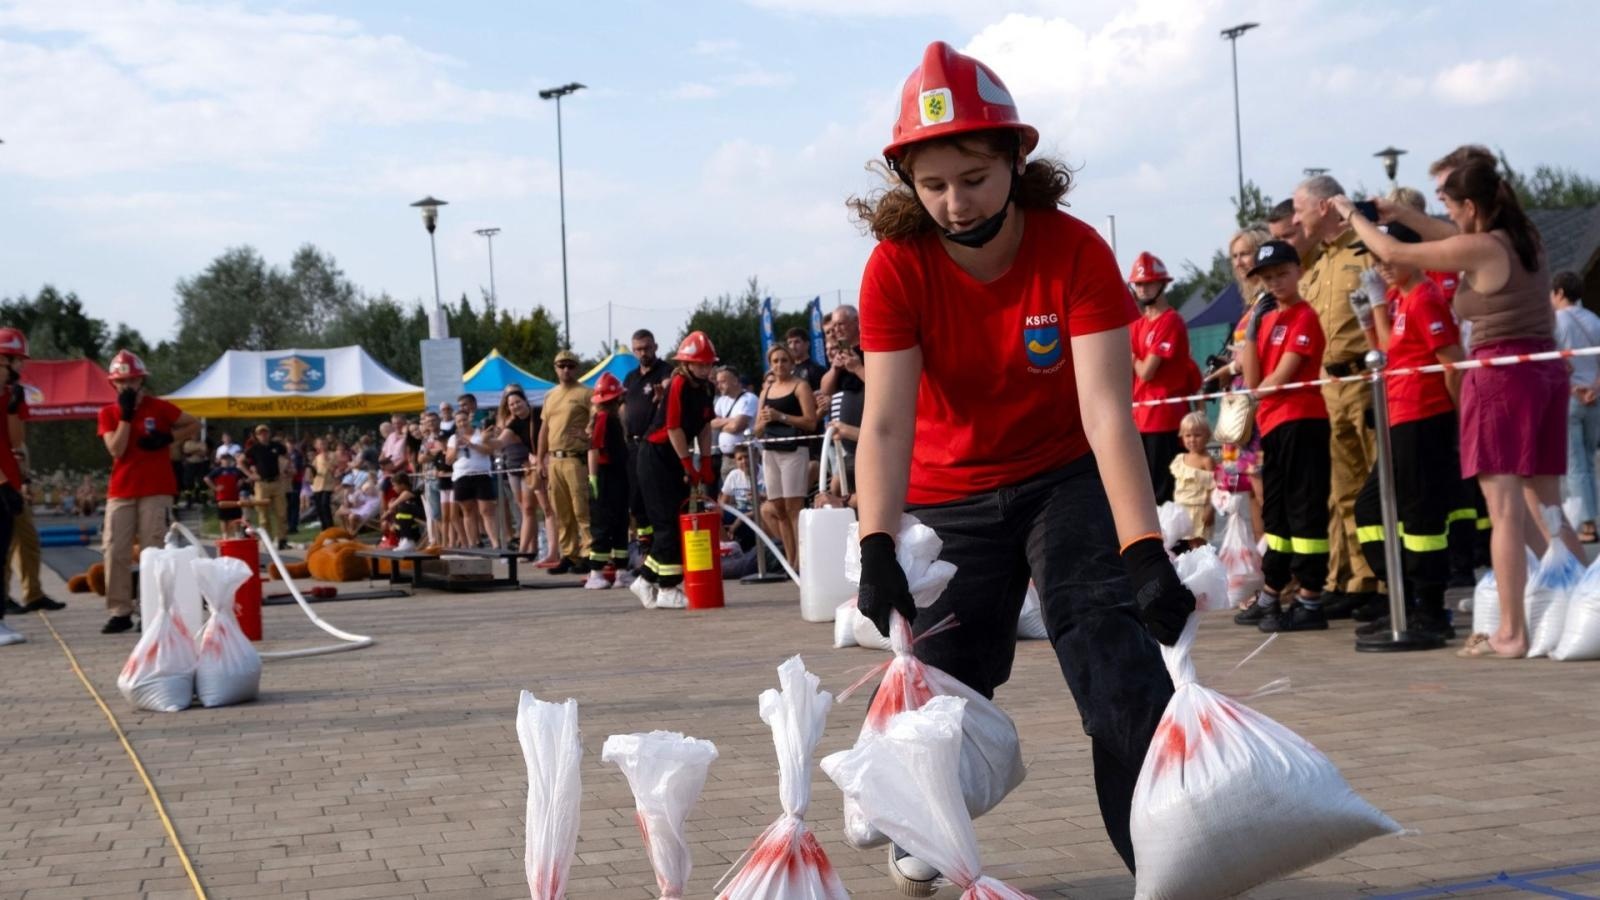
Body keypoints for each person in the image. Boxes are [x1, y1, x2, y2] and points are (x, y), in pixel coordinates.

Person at [848, 42, 1192, 891]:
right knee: (943, 692)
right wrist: (876, 545)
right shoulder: (896, 267)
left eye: (973, 176)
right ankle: (926, 817)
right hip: (948, 491)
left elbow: (1108, 410)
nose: (955, 203)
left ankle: (1163, 862)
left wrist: (1143, 548)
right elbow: (886, 424)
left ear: (1015, 160)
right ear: (907, 183)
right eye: (932, 185)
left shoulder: (1074, 253)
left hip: (1063, 479)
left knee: (1114, 662)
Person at [1337, 158, 1582, 659]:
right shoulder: (1524, 235)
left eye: (1449, 202)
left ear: (1470, 206)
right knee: (1547, 502)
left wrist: (1351, 213)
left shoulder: (1483, 247)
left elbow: (1393, 249)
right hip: (1541, 373)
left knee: (1504, 509)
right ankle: (1581, 595)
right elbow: (1445, 232)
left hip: (1499, 378)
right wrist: (1396, 208)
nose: (1445, 212)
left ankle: (1512, 630)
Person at [1346, 221, 1471, 641]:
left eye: (1386, 257)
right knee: (1372, 510)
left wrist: (1458, 419)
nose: (1379, 266)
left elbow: (1452, 363)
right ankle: (1403, 597)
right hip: (1398, 416)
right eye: (1375, 259)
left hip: (1423, 416)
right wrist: (1369, 315)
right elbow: (1387, 353)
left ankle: (1430, 609)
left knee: (1421, 517)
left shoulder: (1424, 298)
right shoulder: (1399, 298)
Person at [1234, 240, 1331, 633]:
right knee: (1276, 513)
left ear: (1298, 272)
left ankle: (1310, 596)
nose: (1275, 283)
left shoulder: (1305, 316)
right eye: (1267, 277)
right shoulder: (1270, 319)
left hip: (1302, 420)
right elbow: (1255, 377)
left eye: (1281, 274)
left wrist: (1258, 390)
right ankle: (1274, 587)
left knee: (1303, 507)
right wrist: (1253, 329)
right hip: (1273, 424)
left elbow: (1277, 379)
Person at [97, 349, 199, 634]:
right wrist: (126, 417)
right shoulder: (108, 413)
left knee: (153, 549)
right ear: (113, 384)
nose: (128, 386)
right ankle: (119, 610)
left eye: (133, 380)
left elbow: (194, 423)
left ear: (141, 381)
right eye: (122, 382)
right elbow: (116, 449)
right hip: (122, 489)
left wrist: (169, 437)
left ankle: (151, 607)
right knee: (115, 549)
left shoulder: (159, 407)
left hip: (156, 488)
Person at [628, 331, 718, 611]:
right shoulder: (678, 383)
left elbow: (704, 426)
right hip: (657, 455)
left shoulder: (706, 388)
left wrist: (704, 459)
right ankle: (667, 588)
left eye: (707, 364)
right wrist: (686, 463)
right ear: (687, 364)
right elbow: (674, 427)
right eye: (699, 364)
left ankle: (646, 580)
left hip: (675, 455)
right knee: (666, 522)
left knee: (676, 521)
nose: (704, 369)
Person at [1128, 251, 1196, 505]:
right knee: (1146, 493)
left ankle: (1173, 544)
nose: (1143, 289)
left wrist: (1131, 355)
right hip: (1141, 418)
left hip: (1164, 418)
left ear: (1162, 284)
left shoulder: (1171, 321)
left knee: (1164, 494)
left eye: (1148, 283)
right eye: (1139, 284)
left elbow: (1147, 371)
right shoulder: (1137, 325)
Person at [754, 343, 818, 573]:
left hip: (794, 450)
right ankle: (791, 561)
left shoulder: (800, 386)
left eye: (784, 360)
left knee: (794, 508)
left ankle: (803, 560)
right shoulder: (766, 392)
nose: (779, 365)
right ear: (770, 364)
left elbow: (810, 422)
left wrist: (781, 416)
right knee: (778, 508)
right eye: (775, 361)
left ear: (791, 363)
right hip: (770, 451)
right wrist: (764, 420)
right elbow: (757, 429)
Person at [1551, 271, 1600, 542]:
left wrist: (1574, 389)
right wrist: (1594, 388)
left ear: (1559, 292)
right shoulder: (1594, 319)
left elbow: (1554, 363)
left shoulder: (1557, 322)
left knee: (1575, 465)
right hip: (1595, 398)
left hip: (1570, 398)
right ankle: (1591, 518)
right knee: (1589, 461)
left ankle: (1586, 525)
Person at [536, 350, 594, 573]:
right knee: (561, 511)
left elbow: (597, 420)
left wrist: (588, 434)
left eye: (570, 366)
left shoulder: (586, 393)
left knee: (581, 508)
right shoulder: (550, 395)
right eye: (561, 366)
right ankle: (569, 553)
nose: (566, 370)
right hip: (555, 459)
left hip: (575, 459)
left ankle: (588, 553)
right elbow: (544, 428)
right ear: (555, 368)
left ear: (577, 368)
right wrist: (540, 459)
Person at [623, 329, 674, 558]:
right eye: (639, 349)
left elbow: (669, 385)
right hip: (633, 445)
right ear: (633, 351)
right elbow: (624, 407)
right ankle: (645, 546)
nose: (643, 353)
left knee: (658, 499)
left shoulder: (665, 371)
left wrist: (663, 394)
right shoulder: (631, 378)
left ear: (655, 346)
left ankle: (662, 549)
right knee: (636, 501)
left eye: (647, 347)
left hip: (656, 446)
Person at [584, 373, 631, 588]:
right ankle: (596, 573)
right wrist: (593, 478)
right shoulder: (603, 419)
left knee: (620, 523)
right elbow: (594, 449)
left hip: (617, 476)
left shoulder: (612, 419)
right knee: (603, 524)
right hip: (605, 476)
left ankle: (621, 570)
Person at [0, 328, 29, 646]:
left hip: (8, 481)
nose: (20, 367)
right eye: (15, 360)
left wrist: (11, 410)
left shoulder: (12, 394)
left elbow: (16, 440)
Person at [497, 386, 545, 555]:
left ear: (524, 399)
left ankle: (530, 548)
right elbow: (501, 440)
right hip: (512, 463)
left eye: (517, 399)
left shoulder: (533, 415)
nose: (515, 404)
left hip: (528, 462)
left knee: (530, 507)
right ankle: (528, 547)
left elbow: (514, 438)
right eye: (510, 401)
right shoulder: (506, 419)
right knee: (522, 508)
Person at [446, 411, 500, 548]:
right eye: (459, 421)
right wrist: (456, 447)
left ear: (469, 420)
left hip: (481, 474)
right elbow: (448, 460)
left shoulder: (480, 433)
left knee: (487, 510)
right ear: (456, 424)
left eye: (464, 420)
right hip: (462, 476)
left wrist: (471, 444)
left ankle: (495, 543)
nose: (462, 423)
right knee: (467, 511)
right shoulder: (453, 438)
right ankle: (472, 543)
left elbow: (489, 451)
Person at [1170, 411, 1215, 548]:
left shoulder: (1207, 460)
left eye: (1197, 435)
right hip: (1183, 507)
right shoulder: (1180, 459)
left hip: (1199, 509)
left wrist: (1210, 509)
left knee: (1199, 542)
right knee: (1188, 542)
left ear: (1207, 436)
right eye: (1188, 435)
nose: (1192, 440)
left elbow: (1214, 487)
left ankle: (1204, 566)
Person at [242, 424, 289, 549]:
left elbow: (286, 456)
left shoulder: (277, 446)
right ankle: (267, 539)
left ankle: (282, 539)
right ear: (257, 436)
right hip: (262, 484)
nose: (263, 435)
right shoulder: (254, 448)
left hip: (277, 482)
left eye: (265, 433)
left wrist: (285, 469)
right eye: (260, 433)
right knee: (263, 514)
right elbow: (241, 462)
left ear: (269, 434)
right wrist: (250, 475)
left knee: (281, 513)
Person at [710, 366, 757, 477]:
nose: (719, 386)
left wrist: (721, 423)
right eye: (718, 382)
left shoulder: (749, 398)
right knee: (727, 493)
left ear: (735, 381)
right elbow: (711, 423)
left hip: (745, 457)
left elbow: (737, 426)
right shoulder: (721, 401)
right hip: (726, 458)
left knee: (747, 491)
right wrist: (731, 420)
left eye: (723, 382)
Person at [206, 453, 250, 538]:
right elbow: (207, 478)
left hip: (234, 497)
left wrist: (240, 483)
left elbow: (244, 478)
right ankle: (225, 535)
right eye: (224, 459)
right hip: (222, 498)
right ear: (221, 461)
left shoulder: (235, 470)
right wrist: (215, 488)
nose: (226, 461)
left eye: (228, 459)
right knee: (223, 518)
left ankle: (237, 534)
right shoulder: (218, 470)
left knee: (236, 517)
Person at [380, 473, 424, 551]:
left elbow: (394, 505)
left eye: (395, 485)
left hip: (423, 514)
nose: (393, 488)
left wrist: (392, 505)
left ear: (402, 485)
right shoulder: (403, 495)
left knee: (403, 508)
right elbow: (391, 508)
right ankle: (403, 539)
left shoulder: (410, 491)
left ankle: (409, 540)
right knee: (401, 510)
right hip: (413, 520)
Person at [309, 436, 336, 530]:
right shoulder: (316, 458)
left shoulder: (332, 455)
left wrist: (327, 460)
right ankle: (324, 527)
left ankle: (330, 526)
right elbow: (313, 471)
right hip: (317, 485)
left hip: (328, 485)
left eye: (324, 444)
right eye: (320, 444)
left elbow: (334, 469)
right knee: (319, 507)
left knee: (325, 504)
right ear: (316, 446)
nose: (322, 446)